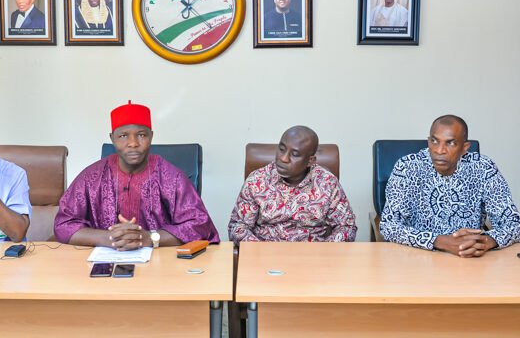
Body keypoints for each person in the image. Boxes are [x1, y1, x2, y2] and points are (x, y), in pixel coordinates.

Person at [54, 101, 220, 249]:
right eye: (123, 136)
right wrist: (109, 238)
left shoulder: (172, 177)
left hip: (162, 267)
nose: (133, 143)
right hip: (102, 265)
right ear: (112, 138)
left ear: (151, 136)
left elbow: (200, 226)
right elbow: (63, 224)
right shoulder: (91, 177)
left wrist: (150, 238)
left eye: (141, 135)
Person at [380, 115, 520, 257]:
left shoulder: (483, 168)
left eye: (450, 143)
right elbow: (389, 226)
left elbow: (514, 224)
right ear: (428, 142)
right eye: (434, 141)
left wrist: (485, 241)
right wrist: (440, 241)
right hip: (417, 258)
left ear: (465, 148)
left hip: (470, 259)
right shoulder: (407, 167)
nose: (440, 150)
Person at [228, 126, 357, 243]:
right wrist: (260, 252)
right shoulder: (257, 180)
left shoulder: (327, 183)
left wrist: (322, 253)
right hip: (266, 257)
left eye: (294, 154)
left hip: (314, 259)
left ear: (310, 161)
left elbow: (346, 227)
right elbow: (238, 227)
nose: (283, 158)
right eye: (281, 149)